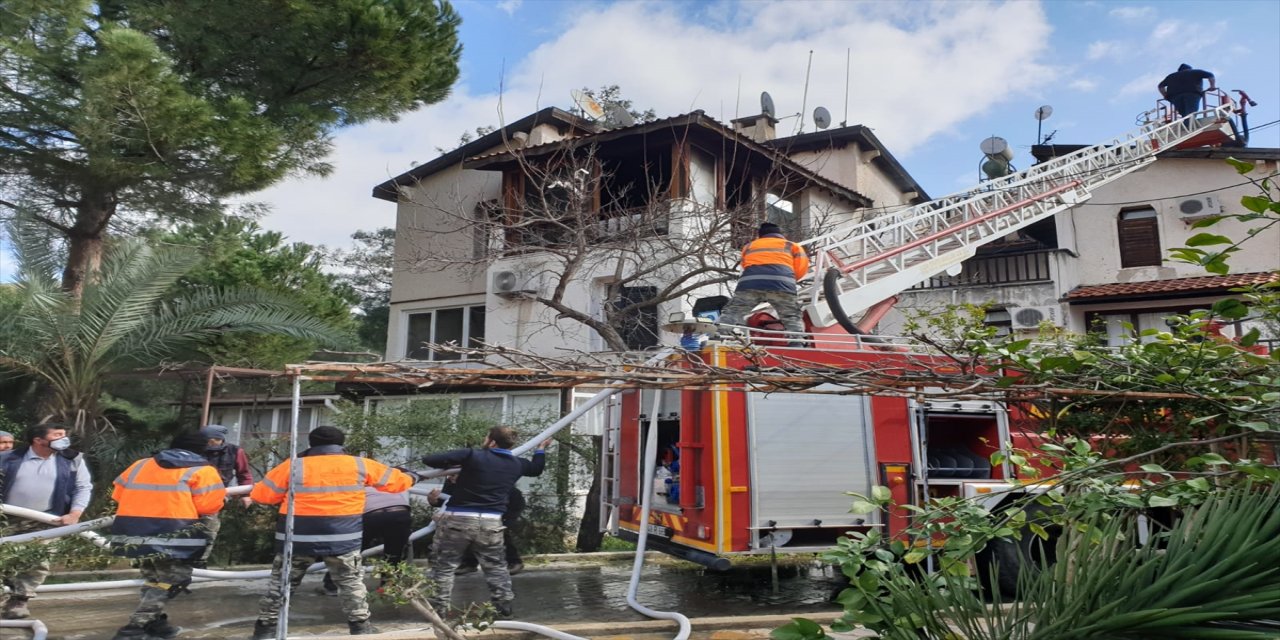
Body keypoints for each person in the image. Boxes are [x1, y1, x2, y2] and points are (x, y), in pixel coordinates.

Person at [249, 426, 417, 638]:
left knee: (282, 584)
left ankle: (265, 629)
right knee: (351, 583)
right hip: (343, 538)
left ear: (310, 444)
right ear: (341, 443)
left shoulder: (292, 466)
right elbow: (399, 483)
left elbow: (263, 496)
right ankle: (361, 628)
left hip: (297, 539)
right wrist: (412, 476)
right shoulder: (359, 464)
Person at [106, 431, 226, 639]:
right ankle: (134, 627)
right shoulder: (203, 470)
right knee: (175, 579)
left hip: (133, 532)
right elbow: (209, 506)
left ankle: (154, 623)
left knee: (153, 579)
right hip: (173, 534)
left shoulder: (140, 465)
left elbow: (117, 494)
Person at [421, 427, 550, 619]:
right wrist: (541, 448)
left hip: (458, 520)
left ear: (492, 442)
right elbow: (536, 468)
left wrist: (455, 461)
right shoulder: (517, 464)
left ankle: (438, 611)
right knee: (496, 567)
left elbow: (430, 460)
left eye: (486, 437)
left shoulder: (473, 456)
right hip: (491, 523)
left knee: (444, 566)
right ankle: (504, 607)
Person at [0, 424, 94, 621]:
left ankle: (19, 601)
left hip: (46, 519)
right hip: (7, 518)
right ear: (38, 440)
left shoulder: (72, 460)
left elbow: (83, 487)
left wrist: (75, 513)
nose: (64, 438)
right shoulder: (8, 458)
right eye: (58, 435)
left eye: (64, 434)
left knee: (37, 560)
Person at [716, 222, 811, 347]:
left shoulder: (749, 246)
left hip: (750, 284)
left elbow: (744, 265)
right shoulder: (792, 246)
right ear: (780, 234)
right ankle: (796, 342)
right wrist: (788, 280)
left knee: (734, 311)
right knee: (791, 314)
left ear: (760, 235)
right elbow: (801, 267)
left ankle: (720, 336)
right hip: (781, 284)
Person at [320, 486, 413, 596]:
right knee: (394, 554)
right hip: (400, 512)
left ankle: (333, 586)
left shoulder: (350, 484)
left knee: (350, 551)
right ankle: (389, 588)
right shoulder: (383, 483)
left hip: (371, 514)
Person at [195, 424, 254, 567]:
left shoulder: (235, 452)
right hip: (190, 495)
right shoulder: (196, 450)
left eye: (210, 440)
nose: (208, 443)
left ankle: (199, 561)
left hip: (215, 497)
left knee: (209, 527)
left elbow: (244, 474)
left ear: (219, 439)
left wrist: (245, 495)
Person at [456, 487, 526, 575]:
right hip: (478, 514)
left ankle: (514, 561)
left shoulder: (504, 487)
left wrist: (507, 518)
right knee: (470, 533)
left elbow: (517, 504)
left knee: (501, 534)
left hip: (502, 514)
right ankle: (469, 563)